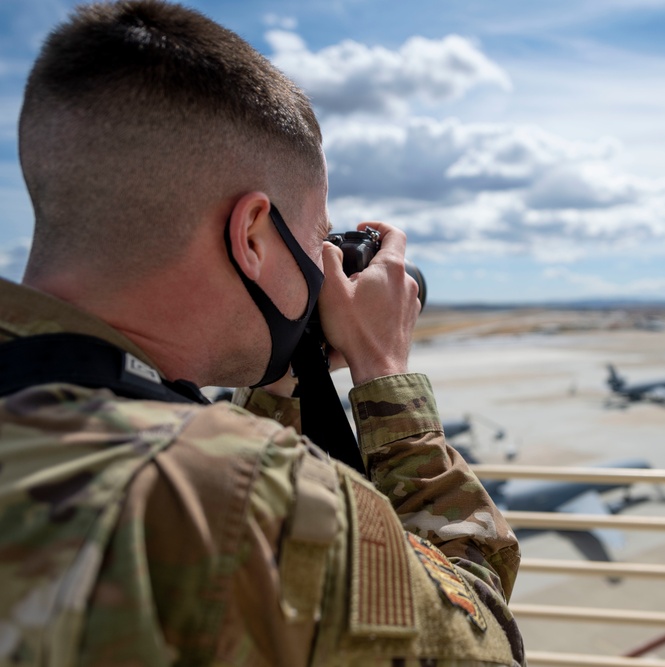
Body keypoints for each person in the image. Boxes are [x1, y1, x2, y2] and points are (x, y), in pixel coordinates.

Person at [0, 1, 523, 665]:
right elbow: (482, 645)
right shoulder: (249, 496)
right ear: (251, 234)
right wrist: (385, 376)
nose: (323, 264)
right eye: (315, 235)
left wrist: (280, 374)